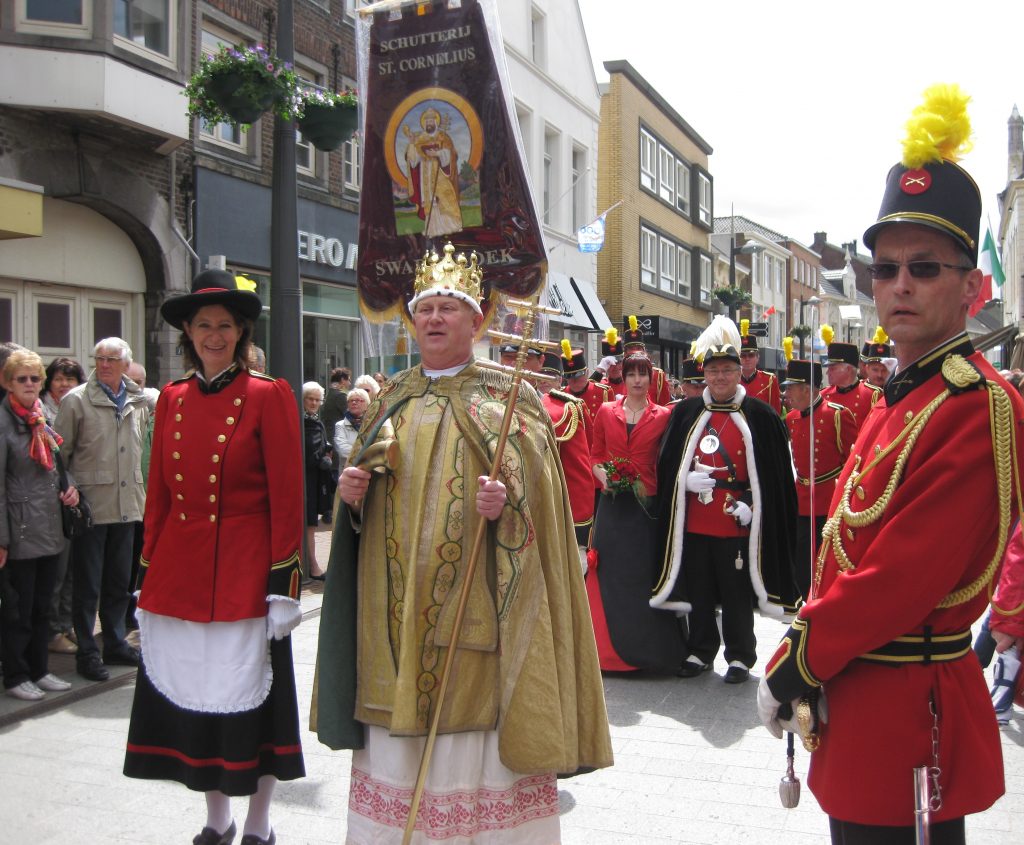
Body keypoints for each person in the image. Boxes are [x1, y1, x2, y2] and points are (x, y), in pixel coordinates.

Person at [757, 85, 1024, 843]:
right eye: (885, 268)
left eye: (926, 268)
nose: (899, 284)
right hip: (860, 699)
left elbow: (901, 575)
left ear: (972, 288)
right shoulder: (901, 396)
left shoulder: (977, 403)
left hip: (913, 716)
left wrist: (798, 655)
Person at [313, 242, 612, 844]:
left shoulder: (511, 401)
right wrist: (351, 500)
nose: (434, 319)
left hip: (479, 624)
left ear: (476, 322)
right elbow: (363, 516)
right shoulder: (391, 398)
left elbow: (545, 517)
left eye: (449, 308)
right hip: (393, 623)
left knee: (473, 761)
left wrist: (507, 507)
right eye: (425, 309)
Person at [123, 268, 305, 845]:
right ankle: (217, 818)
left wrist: (284, 580)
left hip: (247, 572)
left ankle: (258, 822)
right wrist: (146, 573)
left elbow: (288, 492)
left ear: (242, 331)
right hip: (180, 568)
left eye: (225, 325)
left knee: (254, 707)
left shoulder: (266, 394)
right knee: (197, 702)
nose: (214, 334)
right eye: (204, 325)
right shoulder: (171, 399)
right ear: (188, 333)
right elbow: (159, 496)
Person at [655, 315, 797, 684]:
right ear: (705, 374)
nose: (720, 378)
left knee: (736, 593)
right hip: (696, 521)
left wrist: (752, 503)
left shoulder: (762, 416)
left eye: (727, 370)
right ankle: (701, 650)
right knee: (699, 588)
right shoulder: (685, 413)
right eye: (714, 371)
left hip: (736, 521)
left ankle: (739, 656)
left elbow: (776, 476)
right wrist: (683, 481)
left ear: (739, 373)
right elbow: (667, 465)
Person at [55, 337, 150, 683]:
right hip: (92, 508)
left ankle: (114, 642)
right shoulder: (76, 401)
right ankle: (87, 650)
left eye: (112, 359)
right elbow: (59, 457)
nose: (105, 364)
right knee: (88, 585)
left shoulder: (140, 399)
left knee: (118, 583)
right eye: (99, 358)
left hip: (128, 507)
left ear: (126, 364)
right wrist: (69, 490)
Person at [587, 352, 681, 673]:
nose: (638, 380)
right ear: (623, 378)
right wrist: (605, 478)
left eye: (644, 374)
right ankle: (606, 654)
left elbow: (668, 461)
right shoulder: (605, 410)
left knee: (642, 574)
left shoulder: (663, 416)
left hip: (646, 505)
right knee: (609, 572)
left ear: (652, 378)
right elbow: (595, 454)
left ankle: (648, 652)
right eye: (632, 374)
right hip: (612, 505)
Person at [0, 349, 79, 700]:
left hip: (48, 526)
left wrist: (70, 487)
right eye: (22, 379)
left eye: (35, 378)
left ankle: (39, 669)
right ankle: (16, 675)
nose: (30, 384)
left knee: (42, 606)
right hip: (18, 531)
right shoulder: (3, 422)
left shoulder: (40, 417)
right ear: (7, 383)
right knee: (19, 610)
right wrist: (1, 539)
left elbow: (57, 465)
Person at [781, 358, 856, 602]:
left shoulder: (836, 415)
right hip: (802, 498)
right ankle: (805, 599)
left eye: (791, 387)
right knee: (801, 560)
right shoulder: (791, 418)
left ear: (807, 388)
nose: (787, 392)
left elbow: (852, 460)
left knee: (827, 558)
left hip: (829, 498)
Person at [40, 355, 86, 656]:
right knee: (55, 571)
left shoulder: (80, 405)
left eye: (70, 378)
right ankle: (51, 629)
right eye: (58, 378)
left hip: (73, 498)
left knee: (73, 569)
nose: (64, 384)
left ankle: (67, 623)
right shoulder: (39, 411)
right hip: (47, 501)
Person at [532, 350, 593, 569]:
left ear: (559, 379)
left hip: (559, 513)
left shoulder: (568, 408)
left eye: (551, 376)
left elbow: (580, 469)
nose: (546, 381)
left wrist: (580, 530)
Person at [403, 107, 462, 237]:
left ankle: (450, 227)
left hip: (439, 173)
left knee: (444, 199)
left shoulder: (443, 137)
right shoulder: (420, 139)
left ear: (435, 122)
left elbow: (450, 155)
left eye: (431, 121)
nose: (429, 123)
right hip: (425, 175)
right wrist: (412, 144)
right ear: (425, 124)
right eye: (427, 121)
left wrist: (438, 153)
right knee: (430, 203)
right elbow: (413, 161)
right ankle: (432, 230)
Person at [819, 337, 881, 434]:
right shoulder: (823, 396)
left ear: (848, 369)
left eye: (833, 368)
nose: (827, 373)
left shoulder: (872, 396)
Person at [301, 381, 331, 581]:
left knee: (311, 524)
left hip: (312, 479)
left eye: (316, 399)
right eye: (309, 399)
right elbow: (310, 452)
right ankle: (312, 566)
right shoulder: (305, 422)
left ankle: (312, 565)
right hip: (305, 479)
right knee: (309, 523)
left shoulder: (315, 421)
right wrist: (322, 455)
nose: (313, 403)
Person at [320, 367, 352, 526]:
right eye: (348, 380)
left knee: (332, 476)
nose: (349, 383)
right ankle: (332, 511)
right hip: (338, 439)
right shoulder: (340, 396)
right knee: (335, 477)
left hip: (329, 437)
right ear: (342, 381)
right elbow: (351, 414)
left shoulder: (328, 395)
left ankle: (329, 510)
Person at [622, 315, 673, 404]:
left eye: (638, 348)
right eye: (631, 348)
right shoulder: (617, 373)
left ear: (644, 351)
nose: (635, 352)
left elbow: (664, 405)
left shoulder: (658, 375)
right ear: (625, 353)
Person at [738, 324, 782, 415]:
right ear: (738, 358)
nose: (747, 359)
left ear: (757, 357)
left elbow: (775, 412)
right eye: (743, 355)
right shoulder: (733, 380)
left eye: (751, 355)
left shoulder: (769, 380)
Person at [598, 329, 626, 399]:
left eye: (618, 362)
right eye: (610, 363)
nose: (615, 367)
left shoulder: (631, 385)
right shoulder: (600, 385)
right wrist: (600, 369)